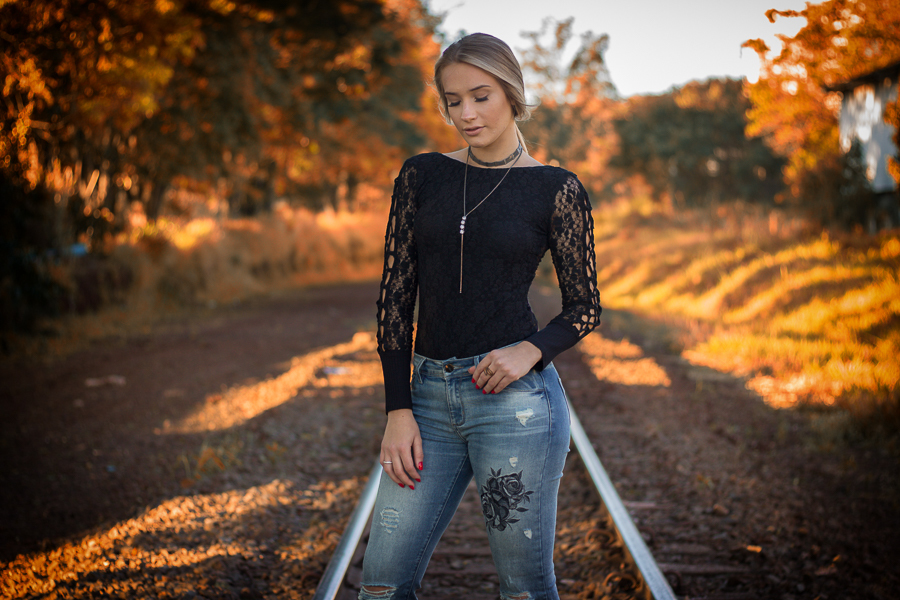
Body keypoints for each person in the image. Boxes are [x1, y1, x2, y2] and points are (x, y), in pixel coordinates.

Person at [360, 32, 601, 600]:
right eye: (452, 100)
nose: (466, 113)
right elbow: (395, 296)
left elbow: (585, 307)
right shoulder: (421, 176)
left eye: (481, 96)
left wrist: (530, 350)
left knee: (522, 588)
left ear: (512, 94)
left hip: (516, 406)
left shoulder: (556, 189)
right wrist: (398, 408)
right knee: (380, 585)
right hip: (427, 402)